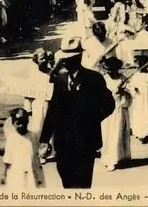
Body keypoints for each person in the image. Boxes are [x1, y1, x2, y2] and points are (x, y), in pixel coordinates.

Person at [39, 37, 115, 189]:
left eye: (70, 59)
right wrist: (45, 138)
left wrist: (92, 119)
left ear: (79, 57)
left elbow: (109, 105)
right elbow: (52, 110)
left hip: (86, 141)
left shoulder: (94, 79)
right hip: (62, 141)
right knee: (67, 182)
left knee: (83, 183)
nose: (65, 62)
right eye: (64, 59)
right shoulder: (59, 80)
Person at [100, 57, 132, 171]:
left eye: (111, 69)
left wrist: (123, 91)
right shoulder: (103, 79)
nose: (108, 71)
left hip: (119, 110)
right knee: (107, 136)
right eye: (107, 69)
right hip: (107, 112)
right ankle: (109, 159)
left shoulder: (123, 79)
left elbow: (131, 94)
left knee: (118, 134)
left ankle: (119, 157)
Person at [2, 108, 46, 188]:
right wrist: (3, 174)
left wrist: (45, 148)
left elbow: (41, 150)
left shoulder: (33, 136)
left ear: (28, 122)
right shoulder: (11, 139)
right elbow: (7, 159)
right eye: (18, 123)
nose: (21, 125)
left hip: (32, 173)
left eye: (24, 122)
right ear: (13, 123)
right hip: (17, 174)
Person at [127, 53, 148, 143]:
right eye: (136, 65)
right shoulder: (135, 75)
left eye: (139, 64)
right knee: (138, 114)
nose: (137, 67)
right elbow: (131, 86)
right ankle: (139, 132)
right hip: (138, 98)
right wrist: (134, 89)